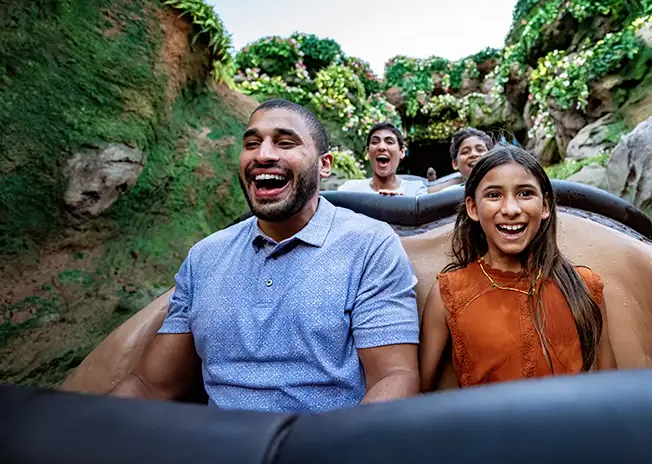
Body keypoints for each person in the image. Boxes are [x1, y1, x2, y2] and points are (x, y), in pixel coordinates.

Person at [110, 99, 421, 413]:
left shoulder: (370, 244)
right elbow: (149, 385)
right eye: (252, 143)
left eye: (285, 143)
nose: (263, 154)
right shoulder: (205, 257)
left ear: (324, 164)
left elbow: (394, 378)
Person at [419, 145, 615, 391]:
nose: (511, 209)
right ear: (472, 208)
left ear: (545, 206)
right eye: (493, 195)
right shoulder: (449, 295)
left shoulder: (584, 287)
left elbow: (611, 390)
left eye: (525, 193)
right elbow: (422, 396)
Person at [338, 122, 427, 196]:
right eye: (375, 142)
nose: (381, 147)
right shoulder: (350, 190)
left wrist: (404, 205)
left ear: (402, 152)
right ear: (367, 152)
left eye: (389, 142)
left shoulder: (416, 191)